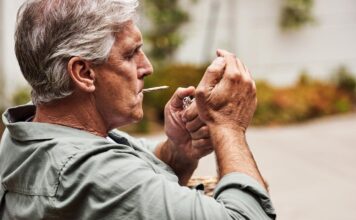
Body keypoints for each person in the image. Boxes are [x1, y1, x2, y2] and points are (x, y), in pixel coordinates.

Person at [0, 0, 276, 219]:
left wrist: (177, 150)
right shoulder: (92, 173)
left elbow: (137, 178)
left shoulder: (29, 131)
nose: (147, 67)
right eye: (131, 54)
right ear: (83, 72)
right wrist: (228, 125)